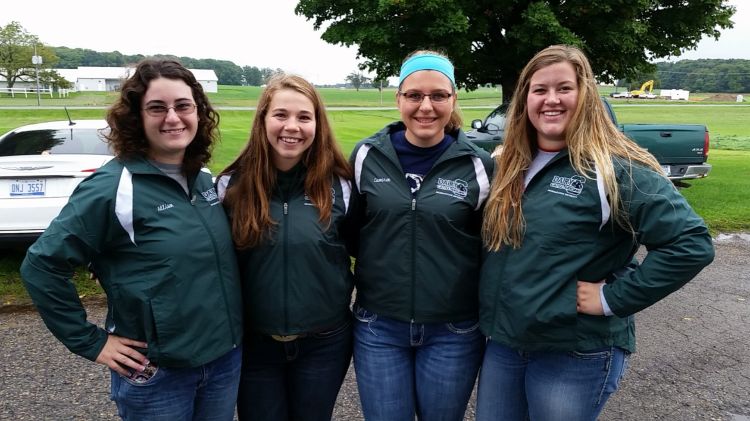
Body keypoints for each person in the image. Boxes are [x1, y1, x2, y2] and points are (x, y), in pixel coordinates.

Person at [476, 44, 715, 421]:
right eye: (539, 90)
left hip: (574, 351)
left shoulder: (615, 168)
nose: (551, 100)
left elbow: (691, 244)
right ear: (524, 100)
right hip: (506, 345)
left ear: (585, 94)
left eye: (564, 88)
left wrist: (612, 298)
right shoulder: (510, 165)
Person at [20, 59, 243, 421]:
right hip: (159, 375)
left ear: (198, 113)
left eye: (183, 106)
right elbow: (42, 265)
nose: (173, 118)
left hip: (223, 362)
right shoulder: (112, 187)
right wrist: (91, 341)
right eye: (157, 108)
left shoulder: (204, 181)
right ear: (137, 117)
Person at [347, 50, 494, 420]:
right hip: (379, 327)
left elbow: (489, 245)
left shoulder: (479, 165)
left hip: (453, 330)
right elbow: (351, 233)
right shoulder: (366, 156)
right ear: (399, 98)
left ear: (453, 99)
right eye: (414, 95)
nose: (425, 106)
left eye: (438, 96)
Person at [216, 73, 354, 421]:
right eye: (280, 115)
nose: (292, 126)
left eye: (304, 117)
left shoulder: (342, 185)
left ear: (317, 125)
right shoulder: (230, 186)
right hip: (254, 345)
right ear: (263, 119)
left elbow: (371, 249)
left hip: (323, 343)